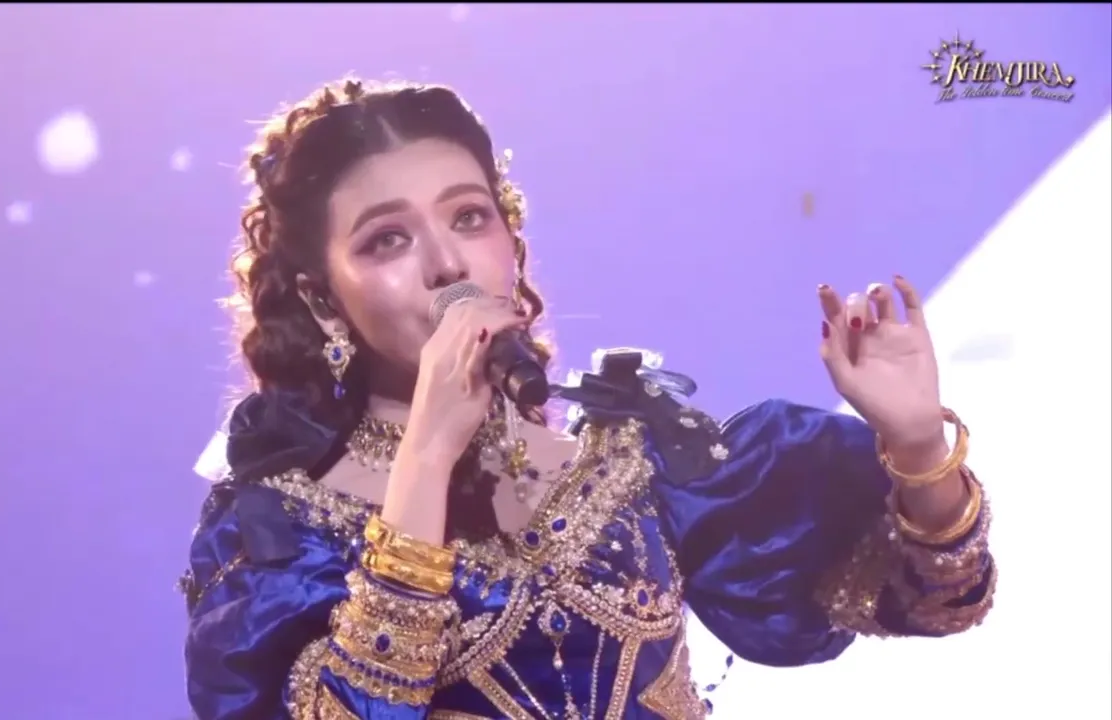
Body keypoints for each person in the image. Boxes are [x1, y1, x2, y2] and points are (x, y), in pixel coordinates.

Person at [179, 78, 995, 720]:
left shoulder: (631, 465)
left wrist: (918, 444)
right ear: (323, 297)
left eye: (469, 217)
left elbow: (936, 598)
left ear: (511, 241)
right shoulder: (280, 533)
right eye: (387, 239)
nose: (446, 265)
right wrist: (425, 457)